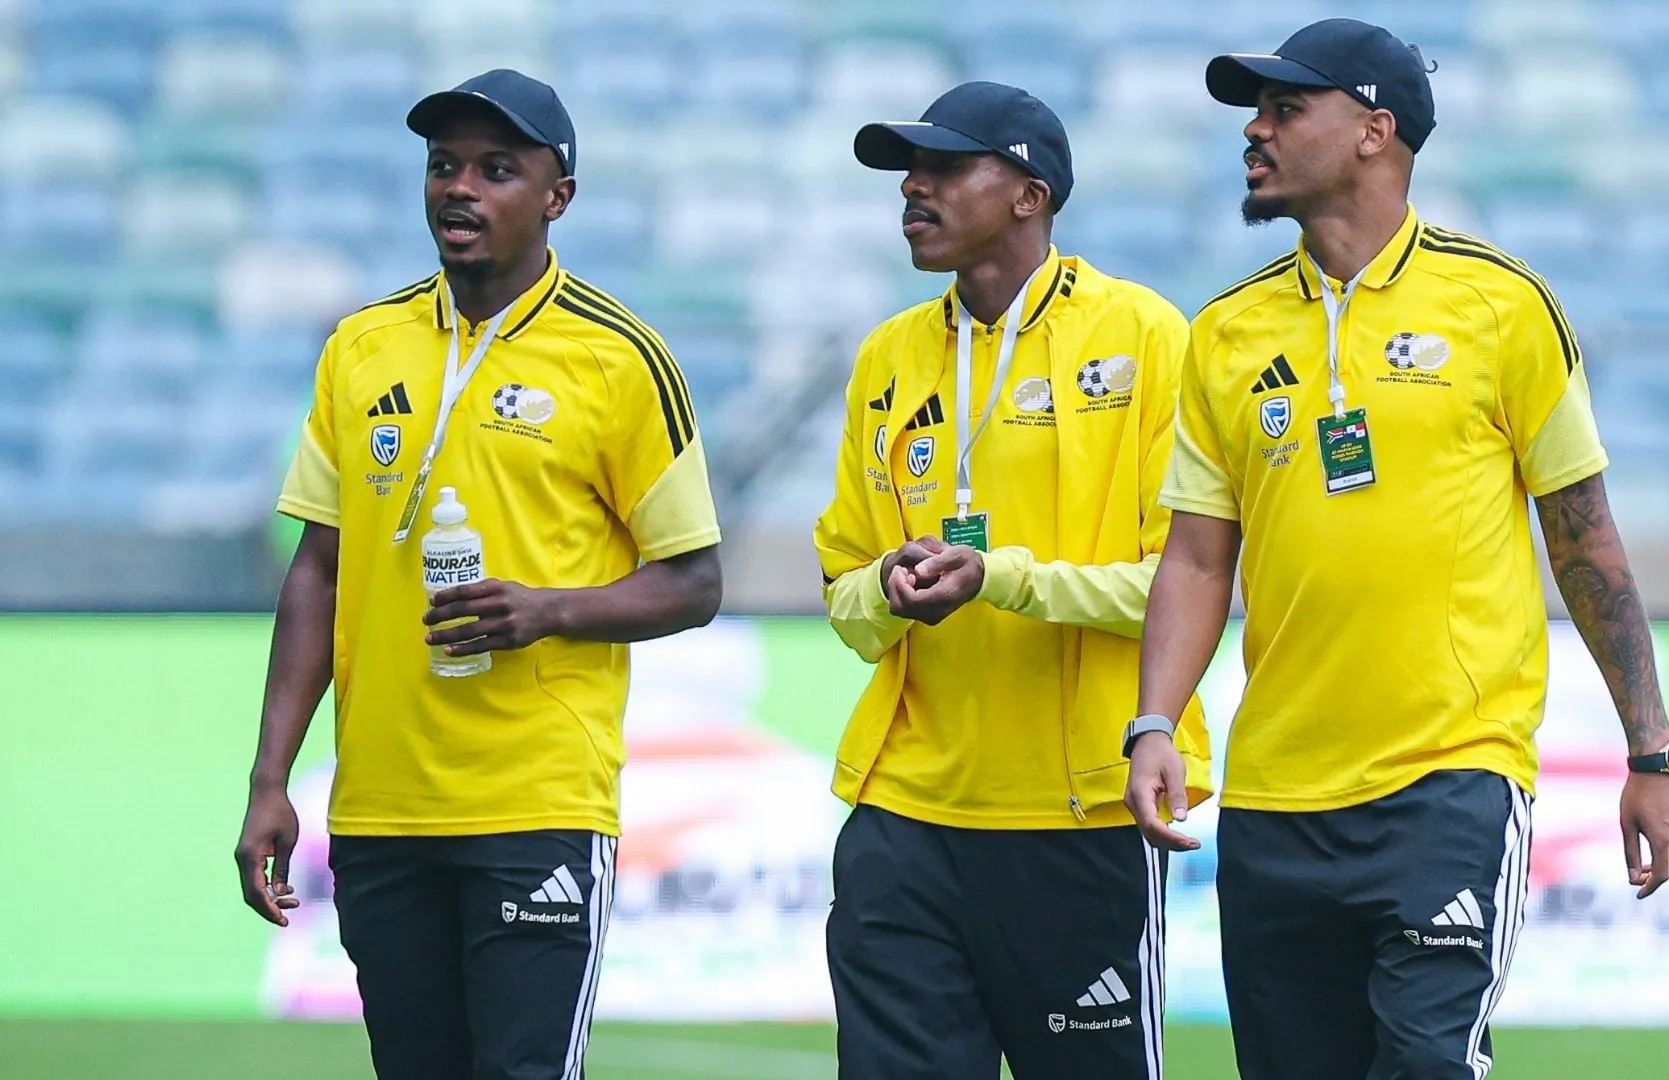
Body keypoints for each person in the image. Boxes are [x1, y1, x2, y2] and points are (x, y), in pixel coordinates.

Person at [1121, 20, 1669, 1080]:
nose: (1256, 130)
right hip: (1274, 798)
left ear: (1375, 130)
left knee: (1430, 1065)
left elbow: (1586, 540)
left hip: (1449, 783)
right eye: (1258, 110)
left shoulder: (1502, 305)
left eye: (1287, 108)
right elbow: (1199, 559)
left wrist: (1652, 752)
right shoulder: (1226, 333)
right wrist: (1156, 719)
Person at [233, 69, 724, 1080]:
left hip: (535, 802)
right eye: (443, 166)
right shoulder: (362, 347)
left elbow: (693, 580)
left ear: (558, 196)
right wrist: (271, 780)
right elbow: (318, 570)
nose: (460, 188)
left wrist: (547, 610)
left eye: (498, 169)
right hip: (380, 810)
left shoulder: (619, 357)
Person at [813, 81, 1211, 1080]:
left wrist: (1000, 577)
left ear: (1030, 192)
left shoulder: (1146, 337)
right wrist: (890, 590)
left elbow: (1190, 581)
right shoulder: (888, 356)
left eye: (946, 167)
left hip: (1080, 813)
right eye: (910, 170)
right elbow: (845, 600)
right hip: (903, 817)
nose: (914, 186)